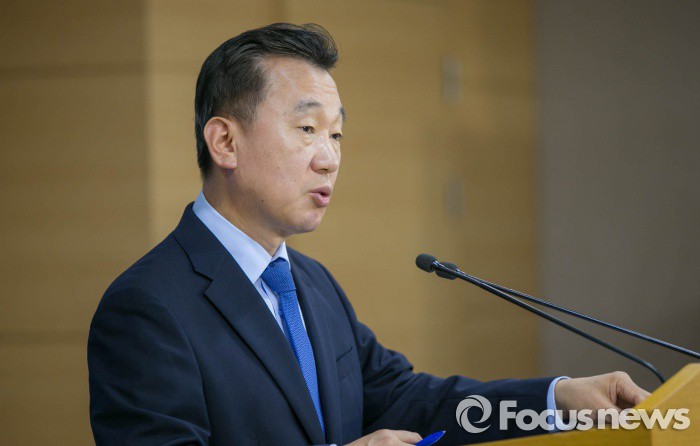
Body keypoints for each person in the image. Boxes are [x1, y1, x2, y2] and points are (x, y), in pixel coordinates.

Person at [88, 23, 649, 446]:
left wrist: (555, 401)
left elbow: (407, 399)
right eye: (307, 128)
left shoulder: (310, 284)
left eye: (336, 135)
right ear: (225, 143)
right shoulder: (148, 308)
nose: (329, 158)